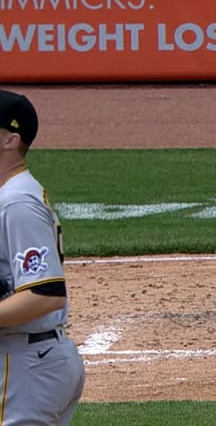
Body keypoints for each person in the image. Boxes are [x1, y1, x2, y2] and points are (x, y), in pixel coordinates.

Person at [0, 89, 86, 424]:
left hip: (25, 365)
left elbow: (44, 294)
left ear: (10, 140)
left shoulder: (17, 203)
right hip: (28, 359)